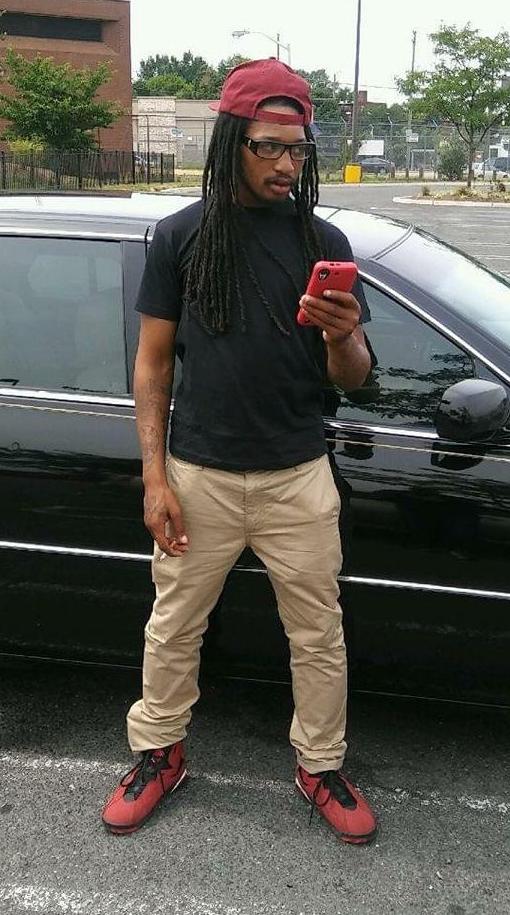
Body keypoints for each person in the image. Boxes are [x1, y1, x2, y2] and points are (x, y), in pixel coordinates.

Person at [102, 58, 377, 845]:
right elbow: (153, 365)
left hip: (298, 474)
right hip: (200, 474)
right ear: (231, 141)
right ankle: (159, 753)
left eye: (298, 148)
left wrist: (343, 335)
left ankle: (319, 764)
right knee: (174, 625)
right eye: (268, 146)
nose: (287, 163)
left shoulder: (323, 240)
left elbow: (354, 377)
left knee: (318, 633)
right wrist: (155, 478)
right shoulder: (181, 236)